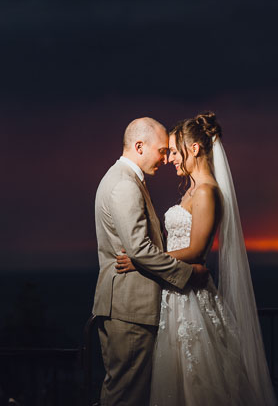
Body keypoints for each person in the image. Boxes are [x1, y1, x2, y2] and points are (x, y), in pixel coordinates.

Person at [115, 113, 277, 406]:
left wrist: (142, 261)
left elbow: (196, 250)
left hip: (191, 297)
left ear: (194, 149)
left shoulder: (206, 191)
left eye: (175, 152)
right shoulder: (192, 190)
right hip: (175, 293)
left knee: (198, 383)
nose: (170, 159)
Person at [92, 117, 208, 406]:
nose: (166, 158)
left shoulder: (123, 179)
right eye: (161, 151)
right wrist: (189, 274)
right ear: (139, 146)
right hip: (130, 308)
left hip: (127, 306)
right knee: (126, 397)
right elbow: (141, 250)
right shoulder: (124, 185)